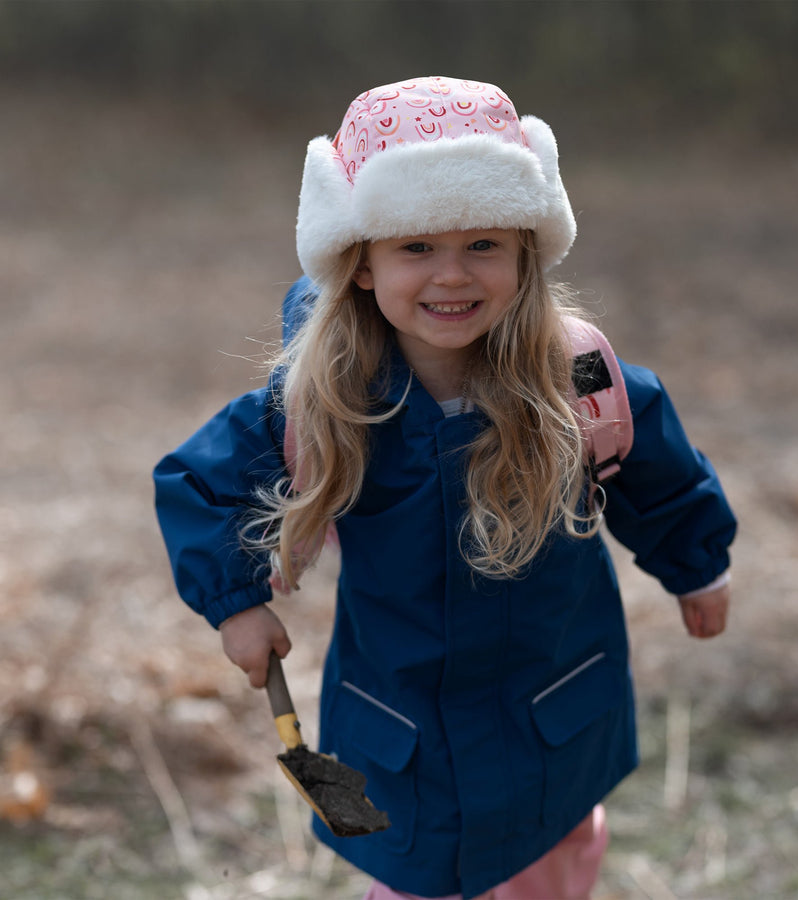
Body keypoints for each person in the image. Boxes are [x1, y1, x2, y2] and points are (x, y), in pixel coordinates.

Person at [154, 75, 737, 900]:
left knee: (554, 848)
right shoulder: (323, 397)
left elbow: (658, 472)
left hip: (554, 694)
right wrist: (236, 602)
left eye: (483, 245)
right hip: (406, 721)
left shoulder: (577, 381)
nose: (452, 277)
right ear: (359, 263)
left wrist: (698, 565)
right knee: (419, 869)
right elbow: (198, 484)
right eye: (416, 248)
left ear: (527, 250)